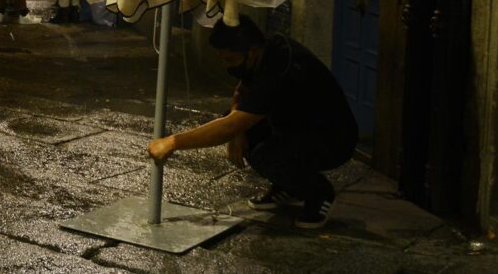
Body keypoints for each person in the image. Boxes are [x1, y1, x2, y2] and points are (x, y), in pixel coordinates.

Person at [147, 18, 359, 229]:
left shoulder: (278, 67)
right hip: (296, 124)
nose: (228, 66)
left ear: (252, 51)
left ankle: (319, 192)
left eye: (231, 59)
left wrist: (172, 142)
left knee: (267, 155)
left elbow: (229, 126)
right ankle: (288, 186)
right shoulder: (265, 51)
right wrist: (238, 133)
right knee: (244, 131)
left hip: (332, 139)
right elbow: (241, 92)